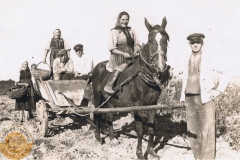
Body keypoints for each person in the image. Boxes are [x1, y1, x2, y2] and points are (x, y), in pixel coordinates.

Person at [172, 33, 229, 160]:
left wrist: (218, 90)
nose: (195, 45)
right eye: (193, 43)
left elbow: (226, 72)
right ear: (189, 44)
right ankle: (197, 156)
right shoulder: (186, 58)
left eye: (198, 42)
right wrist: (173, 73)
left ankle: (207, 158)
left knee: (207, 129)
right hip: (189, 98)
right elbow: (176, 71)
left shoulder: (209, 58)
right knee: (192, 129)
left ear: (202, 43)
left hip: (205, 98)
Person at [104, 11, 141, 94]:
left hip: (131, 55)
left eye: (127, 19)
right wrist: (124, 54)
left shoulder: (131, 30)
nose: (125, 21)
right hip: (119, 56)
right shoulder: (114, 31)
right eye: (123, 19)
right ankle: (109, 85)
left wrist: (136, 50)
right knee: (124, 66)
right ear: (119, 19)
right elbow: (111, 48)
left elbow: (137, 43)